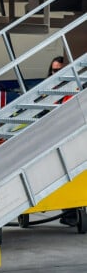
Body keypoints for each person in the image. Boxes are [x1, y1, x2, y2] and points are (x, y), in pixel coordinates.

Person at [47, 56, 77, 227]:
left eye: (59, 70)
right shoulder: (47, 89)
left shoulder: (73, 90)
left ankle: (71, 211)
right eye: (54, 70)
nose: (56, 73)